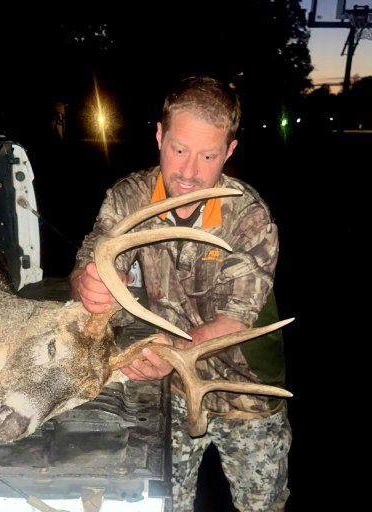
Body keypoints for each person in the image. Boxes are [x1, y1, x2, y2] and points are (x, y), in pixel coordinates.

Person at [69, 76, 291, 511]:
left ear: (228, 151)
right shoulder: (127, 198)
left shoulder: (249, 217)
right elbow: (89, 260)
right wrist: (88, 283)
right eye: (178, 150)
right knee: (165, 502)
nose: (189, 172)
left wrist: (171, 350)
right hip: (167, 389)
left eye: (208, 155)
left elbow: (236, 321)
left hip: (247, 393)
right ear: (159, 135)